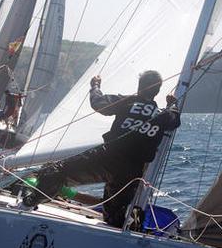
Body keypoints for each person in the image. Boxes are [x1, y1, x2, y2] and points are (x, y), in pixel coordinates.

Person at [21, 70, 181, 229]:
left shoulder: (127, 102)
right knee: (116, 215)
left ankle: (31, 201)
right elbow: (174, 120)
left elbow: (98, 103)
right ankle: (124, 233)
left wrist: (95, 85)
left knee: (55, 171)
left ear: (139, 87)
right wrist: (172, 104)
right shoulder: (162, 116)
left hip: (107, 159)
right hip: (132, 171)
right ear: (157, 91)